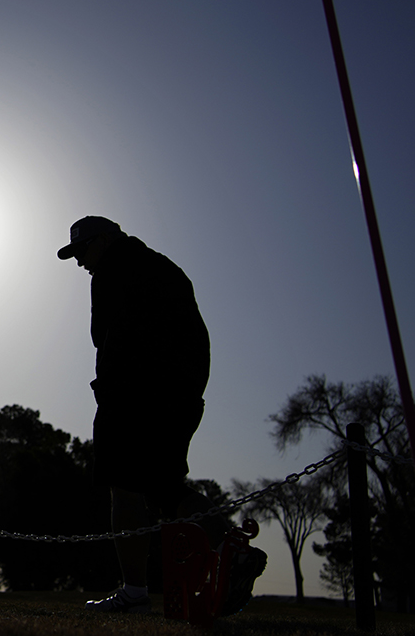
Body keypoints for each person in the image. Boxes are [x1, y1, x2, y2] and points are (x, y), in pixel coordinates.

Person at [57, 216, 264, 615]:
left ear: (104, 241)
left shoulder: (111, 270)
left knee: (125, 490)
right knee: (166, 488)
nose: (81, 261)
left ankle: (134, 592)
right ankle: (230, 548)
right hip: (181, 396)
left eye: (83, 250)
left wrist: (114, 392)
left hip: (135, 396)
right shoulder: (167, 268)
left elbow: (103, 337)